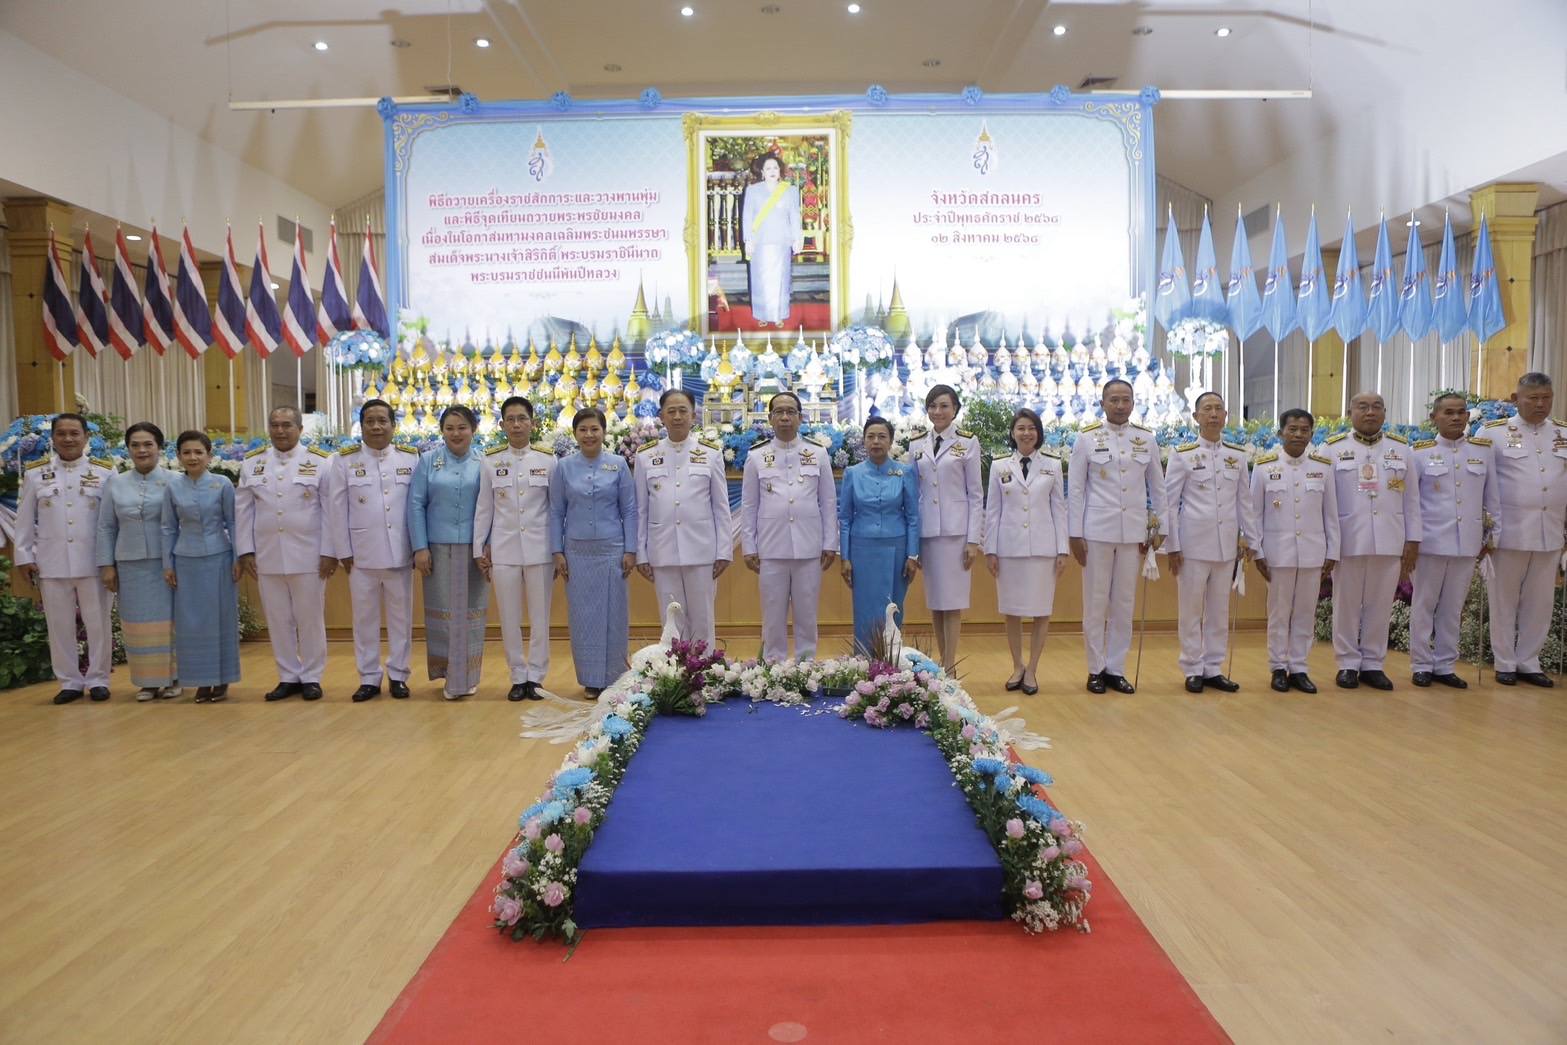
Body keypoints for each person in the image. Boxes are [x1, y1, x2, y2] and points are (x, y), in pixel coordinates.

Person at [1068, 380, 1166, 694]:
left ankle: (1116, 668)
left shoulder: (1146, 439)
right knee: (1095, 602)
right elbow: (1076, 490)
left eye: (1126, 400)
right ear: (1103, 403)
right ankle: (1095, 669)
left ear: (1134, 403)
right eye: (1114, 400)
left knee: (1124, 603)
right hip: (1097, 530)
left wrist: (1161, 527)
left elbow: (1158, 487)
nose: (1120, 405)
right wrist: (1074, 533)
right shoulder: (1086, 438)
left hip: (1133, 532)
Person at [236, 405, 337, 702]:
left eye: (287, 425)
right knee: (278, 619)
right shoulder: (252, 462)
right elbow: (243, 510)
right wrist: (245, 550)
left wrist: (329, 551)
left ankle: (312, 676)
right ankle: (288, 675)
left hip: (309, 554)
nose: (280, 431)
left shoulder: (320, 461)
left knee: (310, 618)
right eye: (275, 425)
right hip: (267, 555)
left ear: (300, 429)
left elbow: (330, 510)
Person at [15, 413, 117, 704]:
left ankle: (98, 679)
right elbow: (24, 519)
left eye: (74, 433)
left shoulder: (105, 472)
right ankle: (69, 682)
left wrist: (112, 560)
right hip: (52, 561)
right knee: (59, 626)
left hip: (94, 562)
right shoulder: (36, 473)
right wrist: (24, 555)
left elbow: (113, 521)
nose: (68, 439)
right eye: (62, 433)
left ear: (86, 437)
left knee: (98, 624)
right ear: (53, 438)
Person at [1324, 392, 1421, 690]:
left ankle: (1373, 664)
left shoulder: (1401, 449)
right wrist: (1330, 543)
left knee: (1380, 605)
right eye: (1362, 407)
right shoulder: (1332, 449)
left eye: (1376, 407)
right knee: (1346, 604)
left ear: (1384, 412)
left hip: (1390, 539)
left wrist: (1413, 540)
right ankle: (1347, 663)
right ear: (1350, 412)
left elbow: (1412, 499)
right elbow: (1325, 502)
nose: (1370, 412)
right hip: (1348, 540)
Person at [1164, 392, 1255, 693]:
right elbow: (1169, 503)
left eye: (1218, 409)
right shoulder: (1183, 454)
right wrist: (1173, 545)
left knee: (1219, 610)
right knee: (1191, 610)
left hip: (1226, 545)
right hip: (1192, 545)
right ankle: (1192, 667)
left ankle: (1213, 667)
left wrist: (1250, 538)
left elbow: (1245, 502)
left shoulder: (1237, 456)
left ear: (1226, 415)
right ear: (1196, 417)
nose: (1214, 414)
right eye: (1207, 409)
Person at [328, 399, 418, 702]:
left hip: (400, 552)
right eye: (370, 421)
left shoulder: (410, 458)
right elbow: (337, 509)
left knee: (401, 619)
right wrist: (343, 550)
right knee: (364, 619)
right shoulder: (344, 461)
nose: (376, 427)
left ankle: (399, 675)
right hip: (361, 554)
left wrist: (417, 547)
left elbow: (417, 506)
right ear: (362, 425)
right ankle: (368, 677)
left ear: (393, 425)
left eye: (383, 421)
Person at [1408, 393, 1499, 688]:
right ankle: (1422, 664)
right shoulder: (1419, 453)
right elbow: (1411, 503)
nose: (1456, 417)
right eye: (1448, 412)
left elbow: (1492, 498)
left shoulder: (1482, 452)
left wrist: (1492, 537)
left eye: (1461, 412)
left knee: (1453, 607)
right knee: (1424, 605)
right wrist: (1411, 540)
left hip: (1467, 542)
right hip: (1430, 542)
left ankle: (1445, 665)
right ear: (1434, 417)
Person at [1483, 372, 1567, 686]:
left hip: (1550, 531)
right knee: (1503, 600)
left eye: (1546, 398)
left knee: (1541, 601)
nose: (1540, 404)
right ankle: (1505, 661)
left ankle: (1529, 661)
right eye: (1533, 398)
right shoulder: (1493, 433)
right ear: (1516, 399)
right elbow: (1483, 484)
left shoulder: (1562, 432)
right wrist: (1486, 530)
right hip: (1509, 532)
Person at [740, 392, 838, 660]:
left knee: (807, 614)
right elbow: (749, 505)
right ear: (770, 418)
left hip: (809, 547)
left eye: (791, 412)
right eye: (779, 412)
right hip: (771, 547)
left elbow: (828, 502)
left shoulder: (817, 453)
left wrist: (830, 543)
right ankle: (774, 666)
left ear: (800, 417)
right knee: (772, 615)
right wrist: (749, 546)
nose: (785, 417)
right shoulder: (756, 456)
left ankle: (806, 666)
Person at [1247, 409, 1339, 694]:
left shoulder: (1323, 468)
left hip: (1313, 552)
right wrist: (1256, 551)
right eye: (1292, 429)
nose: (1298, 434)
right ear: (1281, 433)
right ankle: (1277, 666)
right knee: (1278, 612)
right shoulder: (1264, 467)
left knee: (1305, 612)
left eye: (1304, 430)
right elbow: (1254, 514)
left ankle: (1299, 667)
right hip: (1278, 553)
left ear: (1312, 434)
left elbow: (1331, 514)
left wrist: (1333, 551)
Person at [549, 407, 636, 697]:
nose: (589, 435)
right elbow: (556, 511)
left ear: (604, 432)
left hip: (612, 550)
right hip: (577, 553)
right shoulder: (564, 467)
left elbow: (630, 509)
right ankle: (590, 678)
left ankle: (615, 676)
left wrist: (631, 549)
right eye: (583, 429)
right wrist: (557, 551)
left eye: (594, 429)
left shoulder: (618, 464)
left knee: (614, 614)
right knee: (583, 616)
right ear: (575, 434)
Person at [635, 389, 731, 648]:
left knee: (702, 619)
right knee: (671, 621)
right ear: (661, 417)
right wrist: (641, 554)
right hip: (662, 550)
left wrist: (724, 551)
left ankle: (705, 669)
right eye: (671, 411)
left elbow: (721, 508)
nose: (677, 417)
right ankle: (675, 671)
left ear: (693, 416)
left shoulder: (710, 453)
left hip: (702, 550)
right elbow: (641, 510)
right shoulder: (645, 456)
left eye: (683, 411)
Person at [475, 396, 556, 702]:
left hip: (540, 548)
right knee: (508, 616)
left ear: (533, 423)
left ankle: (536, 676)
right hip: (504, 549)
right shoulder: (490, 461)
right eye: (511, 419)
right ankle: (517, 676)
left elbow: (555, 509)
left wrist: (557, 548)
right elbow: (484, 508)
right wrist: (479, 548)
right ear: (502, 425)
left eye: (522, 418)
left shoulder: (548, 460)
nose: (517, 424)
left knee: (540, 616)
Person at [982, 408, 1069, 695]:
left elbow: (1059, 509)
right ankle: (1017, 665)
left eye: (1031, 428)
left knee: (1042, 611)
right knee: (1012, 611)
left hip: (1043, 549)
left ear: (1038, 433)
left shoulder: (1052, 465)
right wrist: (990, 550)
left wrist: (1062, 549)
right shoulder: (999, 466)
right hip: (1009, 549)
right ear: (1013, 432)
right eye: (1021, 428)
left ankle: (1032, 669)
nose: (1026, 433)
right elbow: (992, 511)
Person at [409, 405, 488, 700]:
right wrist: (420, 547)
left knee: (470, 614)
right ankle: (449, 675)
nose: (456, 433)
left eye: (462, 427)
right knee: (443, 614)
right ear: (441, 431)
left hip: (473, 550)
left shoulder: (483, 462)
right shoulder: (428, 461)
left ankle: (468, 677)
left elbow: (492, 507)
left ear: (473, 430)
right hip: (437, 549)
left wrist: (487, 545)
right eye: (450, 428)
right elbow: (416, 504)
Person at [95, 421, 177, 701]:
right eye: (135, 445)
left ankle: (174, 678)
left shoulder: (176, 480)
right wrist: (106, 565)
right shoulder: (115, 483)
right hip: (129, 564)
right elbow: (106, 526)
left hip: (167, 563)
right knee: (137, 623)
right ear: (128, 449)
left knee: (169, 623)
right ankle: (147, 682)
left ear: (160, 447)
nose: (142, 450)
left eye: (148, 444)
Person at [909, 384, 984, 673]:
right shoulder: (917, 444)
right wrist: (914, 543)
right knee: (936, 602)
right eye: (932, 406)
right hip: (928, 533)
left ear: (955, 409)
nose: (937, 411)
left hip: (956, 534)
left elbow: (975, 494)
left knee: (952, 602)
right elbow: (913, 494)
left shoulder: (968, 442)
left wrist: (973, 540)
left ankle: (950, 665)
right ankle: (942, 664)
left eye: (944, 406)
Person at [161, 430, 240, 702]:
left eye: (198, 452)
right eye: (186, 452)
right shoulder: (173, 487)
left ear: (209, 455)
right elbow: (168, 527)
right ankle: (201, 680)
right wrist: (167, 563)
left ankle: (222, 679)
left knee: (219, 618)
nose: (192, 457)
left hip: (219, 558)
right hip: (185, 561)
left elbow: (233, 522)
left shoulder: (222, 484)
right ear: (178, 456)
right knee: (191, 623)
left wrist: (238, 557)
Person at [838, 416, 920, 653]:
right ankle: (864, 663)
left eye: (882, 436)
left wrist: (912, 555)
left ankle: (891, 662)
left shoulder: (904, 472)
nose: (876, 441)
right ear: (863, 441)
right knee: (865, 608)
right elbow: (845, 518)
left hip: (897, 550)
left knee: (892, 607)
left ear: (891, 441)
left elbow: (913, 517)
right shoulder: (852, 473)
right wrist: (845, 557)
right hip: (862, 550)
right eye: (870, 437)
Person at [740, 153, 802, 327]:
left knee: (781, 279)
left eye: (775, 167)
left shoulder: (790, 190)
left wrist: (797, 238)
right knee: (760, 280)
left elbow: (794, 216)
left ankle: (779, 314)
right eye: (768, 168)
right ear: (762, 171)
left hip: (782, 241)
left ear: (780, 170)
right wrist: (748, 240)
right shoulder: (753, 190)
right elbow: (747, 217)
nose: (772, 171)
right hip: (760, 242)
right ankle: (762, 314)